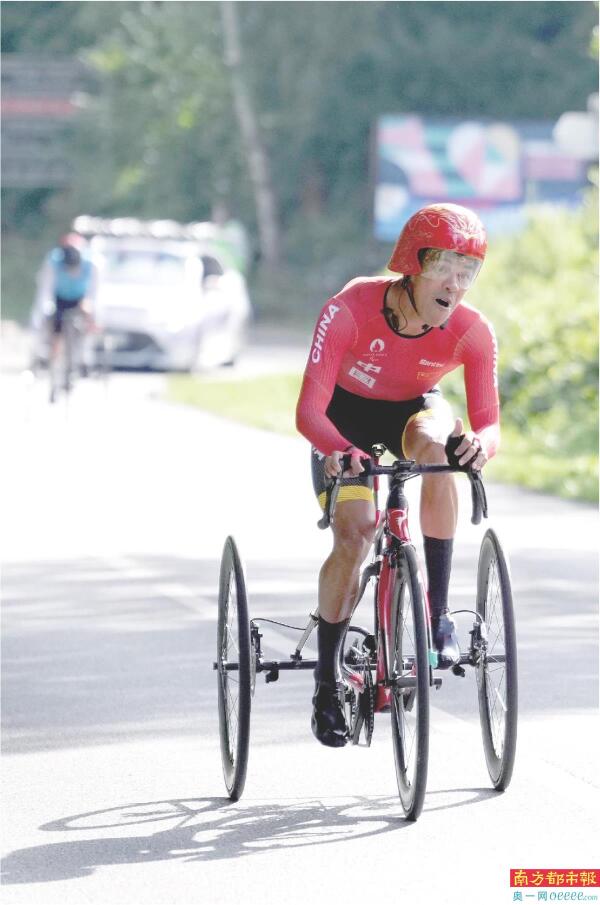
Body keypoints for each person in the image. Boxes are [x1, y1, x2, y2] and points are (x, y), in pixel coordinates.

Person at [295, 202, 499, 748]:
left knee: (439, 450)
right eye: (443, 267)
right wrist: (339, 450)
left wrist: (477, 446)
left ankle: (437, 617)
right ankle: (327, 680)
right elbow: (308, 412)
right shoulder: (349, 309)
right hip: (343, 423)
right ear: (412, 264)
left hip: (412, 412)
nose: (455, 284)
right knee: (357, 531)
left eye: (467, 271)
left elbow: (489, 424)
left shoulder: (473, 331)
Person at [32, 233, 99, 395]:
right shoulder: (53, 261)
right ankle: (48, 356)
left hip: (80, 298)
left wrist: (91, 309)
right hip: (59, 297)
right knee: (52, 327)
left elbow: (95, 290)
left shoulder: (92, 262)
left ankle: (83, 358)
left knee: (87, 324)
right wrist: (45, 310)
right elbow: (45, 290)